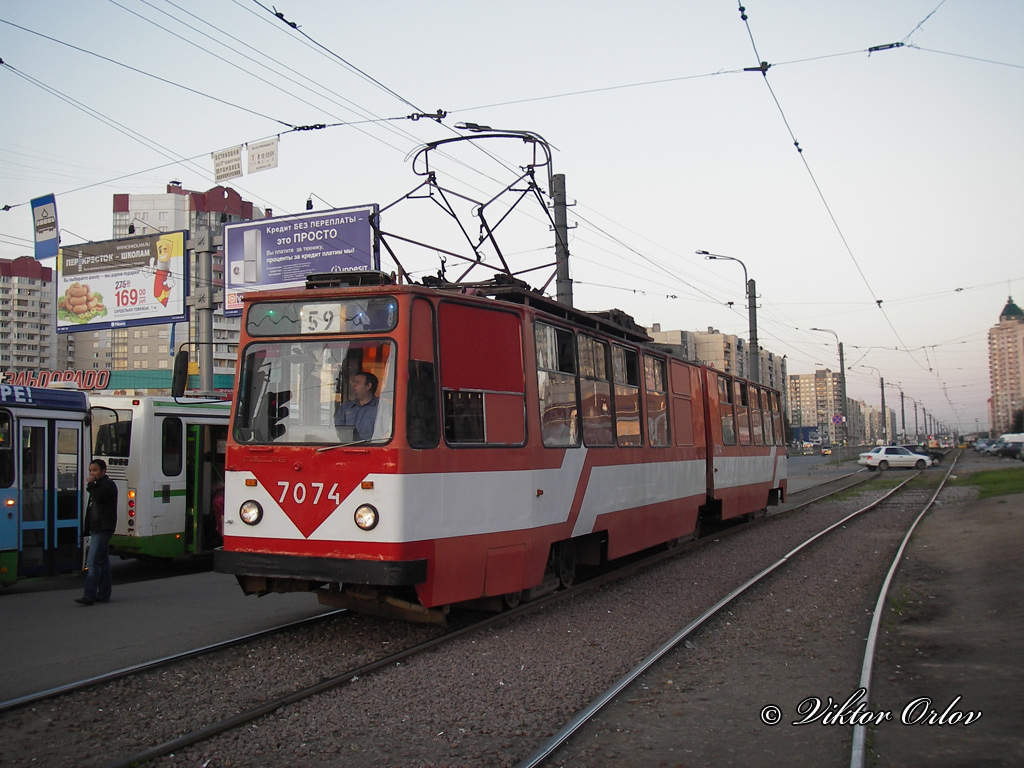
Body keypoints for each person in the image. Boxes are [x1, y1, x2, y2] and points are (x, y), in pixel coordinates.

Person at [76, 459, 118, 606]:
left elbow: (99, 497)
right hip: (97, 527)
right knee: (102, 561)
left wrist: (90, 485)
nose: (91, 473)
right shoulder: (98, 486)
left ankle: (89, 594)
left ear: (103, 471)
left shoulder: (108, 485)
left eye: (94, 470)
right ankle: (104, 594)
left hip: (103, 528)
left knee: (92, 561)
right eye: (90, 470)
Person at [335, 370, 379, 441]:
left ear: (368, 386)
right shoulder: (345, 407)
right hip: (347, 448)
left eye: (357, 382)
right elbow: (336, 431)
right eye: (353, 382)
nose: (353, 385)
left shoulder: (381, 407)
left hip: (372, 449)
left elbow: (387, 431)